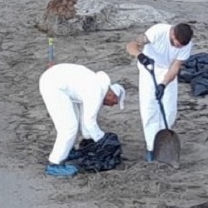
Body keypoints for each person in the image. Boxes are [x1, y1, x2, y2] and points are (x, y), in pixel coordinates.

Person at [38, 63, 126, 177]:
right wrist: (101, 139)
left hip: (60, 84)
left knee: (74, 120)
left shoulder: (95, 88)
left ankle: (68, 150)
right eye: (115, 103)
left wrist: (92, 138)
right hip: (53, 86)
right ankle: (55, 164)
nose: (112, 105)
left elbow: (85, 124)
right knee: (68, 127)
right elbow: (89, 122)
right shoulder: (96, 92)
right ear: (113, 96)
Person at [125, 22, 193, 161]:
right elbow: (131, 45)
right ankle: (151, 148)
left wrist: (163, 84)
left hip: (167, 71)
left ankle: (163, 144)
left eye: (181, 46)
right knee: (150, 108)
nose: (178, 47)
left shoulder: (187, 44)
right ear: (173, 33)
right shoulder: (157, 32)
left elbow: (175, 67)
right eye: (177, 44)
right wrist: (140, 56)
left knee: (169, 110)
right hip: (149, 67)